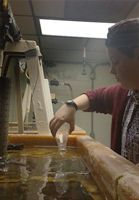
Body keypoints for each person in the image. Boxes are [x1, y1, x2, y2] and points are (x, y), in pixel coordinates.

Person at [49, 18, 139, 165]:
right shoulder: (126, 94)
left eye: (115, 61)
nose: (111, 70)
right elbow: (96, 97)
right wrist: (71, 105)